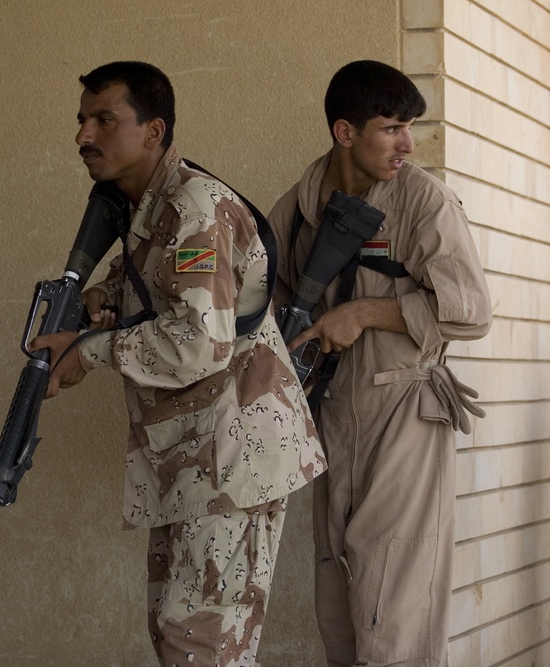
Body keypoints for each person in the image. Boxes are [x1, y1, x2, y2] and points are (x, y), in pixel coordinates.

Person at [32, 60, 326, 667]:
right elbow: (150, 285)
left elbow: (198, 342)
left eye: (104, 119)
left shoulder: (195, 207)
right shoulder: (147, 209)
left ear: (153, 130)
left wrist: (88, 352)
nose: (84, 136)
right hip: (194, 459)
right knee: (185, 637)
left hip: (231, 455)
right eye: (82, 120)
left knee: (198, 643)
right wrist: (99, 298)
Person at [267, 60, 492, 667]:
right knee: (338, 606)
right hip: (331, 417)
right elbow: (267, 295)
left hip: (404, 415)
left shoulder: (424, 201)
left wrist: (366, 312)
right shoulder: (301, 205)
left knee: (393, 610)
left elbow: (470, 311)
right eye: (391, 128)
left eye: (409, 127)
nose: (407, 144)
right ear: (345, 132)